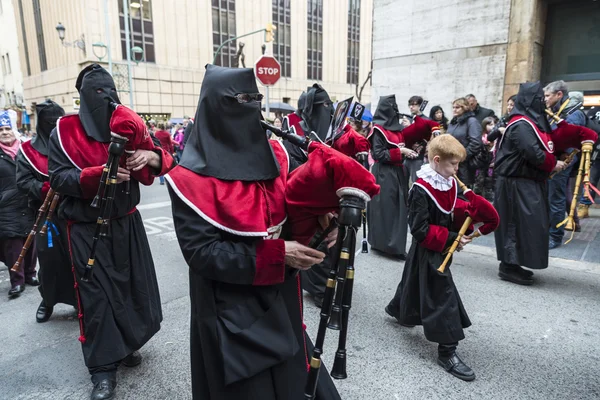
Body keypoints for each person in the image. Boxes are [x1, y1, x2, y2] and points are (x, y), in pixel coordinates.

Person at [165, 64, 341, 400]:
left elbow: (286, 214)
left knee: (295, 382)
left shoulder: (275, 155)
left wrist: (321, 223)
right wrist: (278, 254)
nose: (252, 107)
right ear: (216, 107)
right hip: (228, 309)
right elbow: (202, 253)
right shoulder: (188, 179)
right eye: (242, 99)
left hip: (279, 293)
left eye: (255, 98)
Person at [48, 64, 175, 400]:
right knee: (97, 299)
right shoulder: (64, 130)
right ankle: (102, 370)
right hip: (88, 228)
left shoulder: (128, 121)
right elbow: (59, 179)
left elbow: (165, 159)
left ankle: (127, 344)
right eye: (96, 93)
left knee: (131, 291)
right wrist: (100, 175)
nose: (105, 100)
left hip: (127, 223)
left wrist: (151, 157)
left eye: (109, 91)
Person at [385, 134, 498, 382]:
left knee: (413, 278)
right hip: (429, 247)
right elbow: (419, 230)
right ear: (436, 160)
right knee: (442, 294)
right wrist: (453, 237)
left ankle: (399, 309)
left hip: (438, 245)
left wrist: (468, 222)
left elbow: (451, 212)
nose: (457, 170)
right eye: (453, 164)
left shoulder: (449, 181)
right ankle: (448, 351)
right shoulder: (420, 189)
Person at [494, 82, 563, 285]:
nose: (542, 104)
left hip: (527, 182)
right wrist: (553, 163)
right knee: (514, 224)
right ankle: (508, 266)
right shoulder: (520, 124)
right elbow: (534, 153)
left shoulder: (527, 123)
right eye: (539, 100)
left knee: (527, 225)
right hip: (515, 184)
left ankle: (515, 263)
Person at [16, 100, 74, 321]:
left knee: (75, 259)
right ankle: (48, 300)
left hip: (73, 211)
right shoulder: (28, 150)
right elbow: (22, 181)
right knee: (49, 261)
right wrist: (43, 188)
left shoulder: (71, 144)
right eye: (50, 122)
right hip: (44, 214)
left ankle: (80, 300)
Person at [367, 95, 417, 259]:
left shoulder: (398, 129)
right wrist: (401, 152)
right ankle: (385, 246)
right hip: (384, 174)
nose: (395, 110)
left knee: (398, 211)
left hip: (397, 173)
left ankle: (395, 246)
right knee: (386, 211)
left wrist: (408, 150)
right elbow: (378, 154)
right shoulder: (378, 130)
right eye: (392, 107)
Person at [544, 82, 588, 248]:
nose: (545, 99)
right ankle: (550, 231)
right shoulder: (555, 111)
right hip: (554, 160)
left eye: (548, 95)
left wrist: (560, 160)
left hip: (563, 161)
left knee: (556, 199)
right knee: (551, 198)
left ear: (559, 94)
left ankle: (555, 236)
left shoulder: (573, 113)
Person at [0, 111, 38, 298]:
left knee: (31, 241)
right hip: (6, 207)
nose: (5, 132)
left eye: (8, 128)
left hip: (28, 201)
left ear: (15, 130)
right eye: (1, 129)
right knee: (13, 245)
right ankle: (17, 282)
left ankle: (31, 275)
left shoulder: (25, 149)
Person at [447, 98, 482, 186]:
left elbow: (475, 143)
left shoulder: (471, 121)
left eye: (457, 107)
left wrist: (461, 157)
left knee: (463, 191)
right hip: (451, 161)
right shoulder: (453, 122)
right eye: (453, 107)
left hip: (464, 163)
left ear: (465, 108)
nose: (454, 109)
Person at [402, 96, 429, 184]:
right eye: (410, 104)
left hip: (418, 158)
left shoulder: (426, 120)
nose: (411, 107)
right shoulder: (408, 118)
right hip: (405, 157)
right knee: (403, 184)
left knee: (416, 183)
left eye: (414, 104)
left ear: (420, 106)